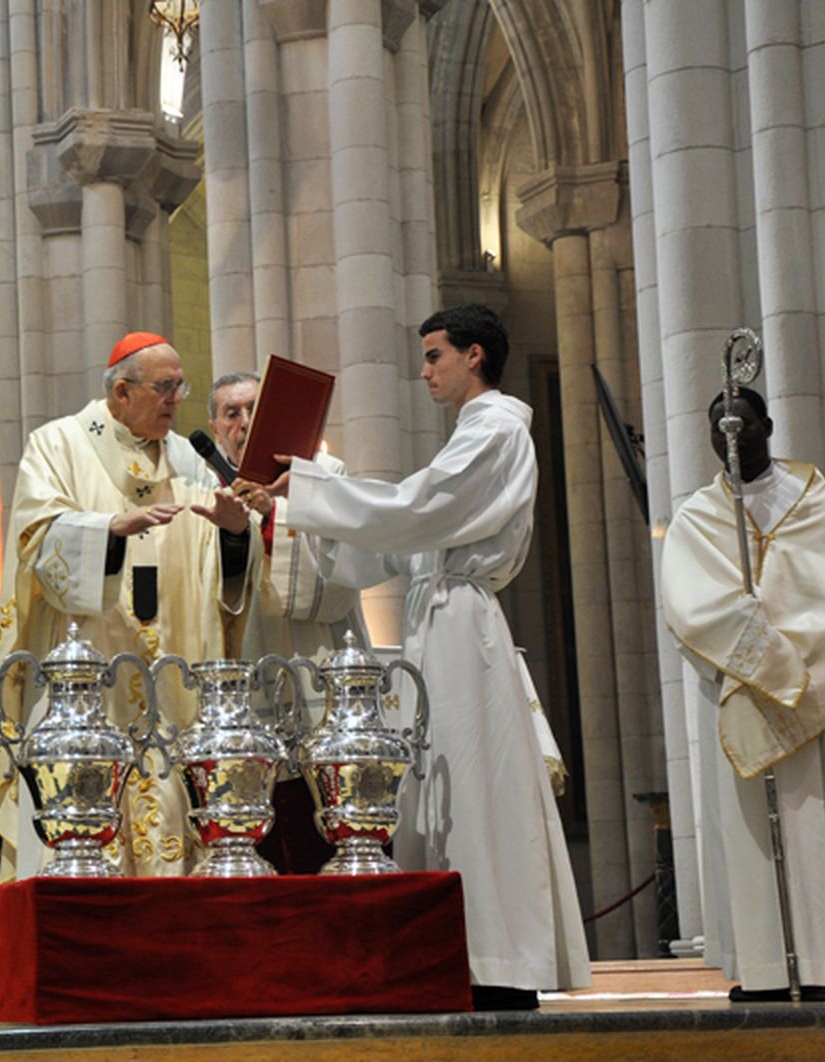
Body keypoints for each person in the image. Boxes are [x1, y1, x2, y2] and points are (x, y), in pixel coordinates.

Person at [238, 304, 590, 1008]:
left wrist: (308, 489)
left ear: (475, 357)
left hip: (463, 625)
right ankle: (459, 955)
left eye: (435, 355)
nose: (424, 370)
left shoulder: (493, 432)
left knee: (474, 787)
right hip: (440, 617)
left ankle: (500, 961)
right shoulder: (471, 435)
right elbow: (402, 538)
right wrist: (294, 506)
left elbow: (416, 507)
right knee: (439, 786)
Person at [0, 333, 263, 879]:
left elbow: (230, 571)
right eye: (165, 387)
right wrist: (107, 530)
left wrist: (233, 534)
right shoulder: (58, 445)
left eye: (181, 386)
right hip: (90, 690)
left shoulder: (191, 459)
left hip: (173, 686)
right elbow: (34, 541)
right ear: (122, 391)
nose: (176, 399)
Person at [660, 387, 825, 1002]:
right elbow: (688, 604)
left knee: (815, 827)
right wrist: (750, 638)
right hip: (740, 691)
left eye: (743, 421)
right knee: (749, 833)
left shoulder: (811, 498)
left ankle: (820, 965)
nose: (730, 433)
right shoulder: (698, 515)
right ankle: (762, 969)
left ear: (769, 425)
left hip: (812, 689)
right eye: (717, 425)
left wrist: (786, 653)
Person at [208, 371, 367, 874]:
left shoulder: (325, 474)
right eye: (231, 413)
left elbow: (334, 589)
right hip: (245, 679)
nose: (244, 422)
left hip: (312, 671)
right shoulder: (203, 491)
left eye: (254, 408)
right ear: (214, 428)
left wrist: (277, 511)